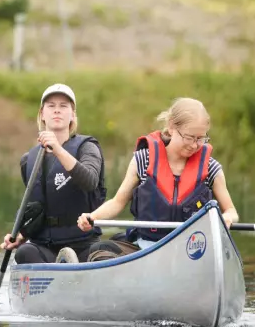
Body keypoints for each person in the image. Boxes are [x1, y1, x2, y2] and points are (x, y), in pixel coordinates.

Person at [77, 97, 238, 261]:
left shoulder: (211, 168)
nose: (195, 145)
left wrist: (228, 217)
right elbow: (118, 202)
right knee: (99, 250)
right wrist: (93, 217)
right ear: (172, 127)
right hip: (146, 247)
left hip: (192, 253)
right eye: (189, 137)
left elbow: (231, 211)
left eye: (201, 138)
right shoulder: (143, 160)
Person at [1, 83, 107, 264]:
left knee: (103, 252)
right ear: (42, 114)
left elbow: (90, 181)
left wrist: (57, 149)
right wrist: (22, 234)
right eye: (51, 106)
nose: (57, 111)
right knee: (24, 253)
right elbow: (39, 207)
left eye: (63, 106)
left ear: (72, 115)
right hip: (45, 246)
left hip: (83, 244)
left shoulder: (88, 148)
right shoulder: (29, 160)